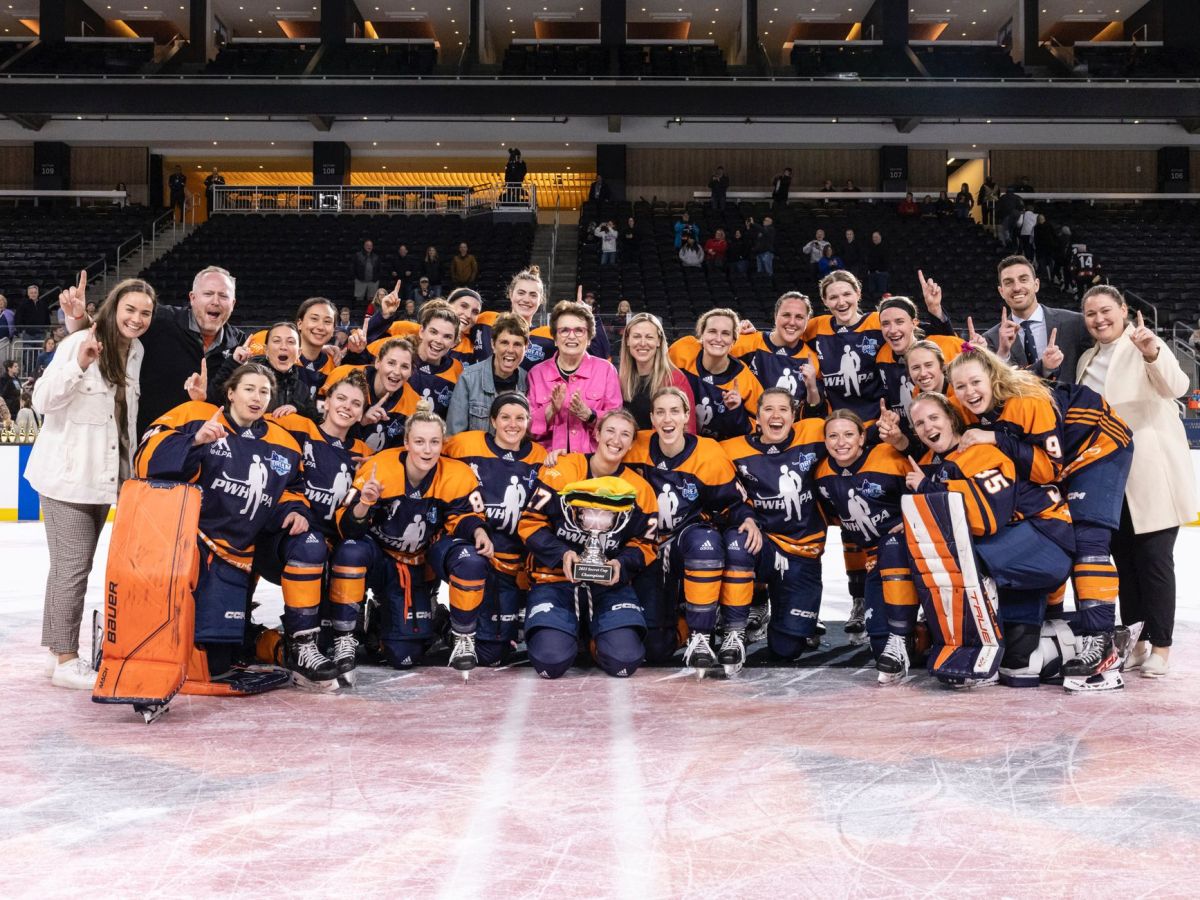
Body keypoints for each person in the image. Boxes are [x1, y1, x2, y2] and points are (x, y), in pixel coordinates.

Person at [135, 363, 313, 684]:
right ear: (230, 393)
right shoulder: (196, 417)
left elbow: (292, 489)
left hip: (241, 555)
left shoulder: (284, 444)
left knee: (218, 662)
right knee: (181, 645)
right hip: (192, 545)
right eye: (249, 389)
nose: (257, 397)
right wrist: (196, 441)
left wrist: (295, 510)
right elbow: (146, 459)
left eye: (264, 391)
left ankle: (253, 639)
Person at [26, 279, 155, 689]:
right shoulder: (79, 342)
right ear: (114, 307)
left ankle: (55, 652)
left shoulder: (135, 351)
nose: (136, 319)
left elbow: (123, 420)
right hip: (68, 478)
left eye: (145, 313)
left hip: (105, 479)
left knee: (67, 568)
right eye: (130, 309)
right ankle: (66, 660)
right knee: (73, 568)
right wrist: (78, 363)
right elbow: (41, 401)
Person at [906, 392, 1076, 688]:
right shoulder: (947, 463)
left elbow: (985, 520)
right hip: (1015, 555)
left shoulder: (978, 452)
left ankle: (1074, 636)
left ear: (951, 418)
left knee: (961, 557)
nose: (927, 426)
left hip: (1044, 541)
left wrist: (926, 488)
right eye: (919, 423)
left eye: (934, 418)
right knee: (1018, 667)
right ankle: (1056, 634)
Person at [1077, 286, 1199, 678]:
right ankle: (1137, 640)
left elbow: (1177, 387)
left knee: (1154, 562)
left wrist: (1152, 351)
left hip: (1151, 474)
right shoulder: (1084, 360)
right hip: (1107, 479)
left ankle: (1161, 645)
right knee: (1124, 565)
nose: (1099, 319)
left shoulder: (1144, 344)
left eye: (1106, 310)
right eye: (1091, 313)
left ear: (1124, 310)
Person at [336, 401, 492, 676]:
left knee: (404, 655)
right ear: (406, 442)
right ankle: (346, 635)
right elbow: (348, 529)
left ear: (442, 444)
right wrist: (365, 503)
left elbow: (465, 517)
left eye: (434, 442)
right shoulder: (378, 467)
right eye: (419, 441)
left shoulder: (456, 473)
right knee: (350, 551)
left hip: (424, 560)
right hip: (382, 558)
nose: (427, 449)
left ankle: (461, 634)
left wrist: (478, 531)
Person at [517, 408, 658, 679]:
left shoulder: (640, 490)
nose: (616, 440)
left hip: (608, 587)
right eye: (611, 431)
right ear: (596, 433)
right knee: (550, 662)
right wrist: (563, 554)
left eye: (625, 434)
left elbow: (646, 544)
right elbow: (530, 523)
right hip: (555, 581)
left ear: (631, 443)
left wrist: (621, 564)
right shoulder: (564, 469)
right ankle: (569, 635)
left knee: (624, 662)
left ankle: (591, 637)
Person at [628, 387, 758, 676]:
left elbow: (730, 502)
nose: (667, 418)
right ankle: (686, 622)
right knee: (657, 648)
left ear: (687, 415)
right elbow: (599, 460)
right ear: (651, 418)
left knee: (706, 541)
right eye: (660, 412)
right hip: (644, 547)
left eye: (675, 411)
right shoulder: (635, 445)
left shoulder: (707, 452)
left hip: (685, 540)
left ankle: (703, 636)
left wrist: (747, 518)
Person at [264, 370, 375, 688]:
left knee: (353, 549)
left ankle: (341, 639)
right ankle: (302, 646)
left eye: (356, 403)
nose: (347, 407)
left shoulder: (364, 454)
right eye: (341, 398)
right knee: (311, 543)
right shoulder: (297, 427)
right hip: (289, 539)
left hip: (333, 544)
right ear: (324, 401)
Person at [63, 265, 244, 437]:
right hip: (150, 445)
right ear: (192, 297)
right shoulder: (160, 320)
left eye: (223, 296)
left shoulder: (241, 344)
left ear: (233, 303)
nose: (215, 301)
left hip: (208, 450)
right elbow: (104, 332)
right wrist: (77, 316)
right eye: (208, 293)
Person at [721, 388, 828, 662]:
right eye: (768, 409)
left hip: (802, 550)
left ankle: (790, 619)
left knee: (786, 649)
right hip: (764, 544)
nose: (776, 415)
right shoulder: (732, 450)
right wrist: (746, 517)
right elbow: (724, 494)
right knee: (738, 540)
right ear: (757, 416)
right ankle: (734, 627)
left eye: (783, 409)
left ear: (794, 416)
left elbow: (851, 438)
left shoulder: (815, 433)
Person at [443, 392, 547, 666]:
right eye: (505, 417)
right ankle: (451, 626)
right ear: (492, 421)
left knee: (492, 655)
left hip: (514, 556)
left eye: (520, 418)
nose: (512, 424)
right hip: (472, 546)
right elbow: (426, 452)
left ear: (528, 422)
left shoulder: (540, 456)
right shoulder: (463, 444)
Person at [814, 411, 916, 682]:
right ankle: (913, 638)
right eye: (833, 436)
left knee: (893, 546)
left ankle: (907, 633)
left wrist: (913, 521)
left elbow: (924, 488)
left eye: (848, 434)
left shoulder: (889, 456)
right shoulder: (822, 474)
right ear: (824, 441)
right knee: (880, 644)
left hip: (911, 550)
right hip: (873, 557)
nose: (840, 442)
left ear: (862, 438)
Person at [527, 300, 622, 453]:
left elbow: (617, 422)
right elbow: (527, 429)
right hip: (548, 462)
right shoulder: (536, 374)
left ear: (589, 338)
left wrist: (590, 416)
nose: (571, 336)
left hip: (592, 462)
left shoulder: (606, 370)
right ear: (555, 339)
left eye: (579, 330)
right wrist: (551, 410)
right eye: (564, 330)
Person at [983, 255, 1092, 385]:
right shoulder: (991, 339)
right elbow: (994, 386)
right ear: (1001, 291)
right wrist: (1002, 354)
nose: (1017, 287)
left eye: (1023, 279)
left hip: (1070, 404)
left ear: (1036, 285)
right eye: (1008, 282)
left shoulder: (1075, 323)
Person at [670, 308, 762, 442]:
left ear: (734, 340)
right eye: (712, 331)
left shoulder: (744, 379)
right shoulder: (682, 351)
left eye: (725, 333)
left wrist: (736, 411)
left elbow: (759, 429)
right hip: (679, 444)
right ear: (701, 334)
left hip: (721, 451)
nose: (718, 339)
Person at [204, 322, 318, 421]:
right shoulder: (244, 377)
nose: (283, 346)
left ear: (299, 353)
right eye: (277, 341)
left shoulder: (302, 388)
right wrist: (232, 364)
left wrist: (297, 408)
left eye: (290, 342)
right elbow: (214, 401)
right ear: (266, 350)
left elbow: (317, 419)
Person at [325, 337, 420, 451]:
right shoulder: (343, 376)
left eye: (404, 366)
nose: (396, 372)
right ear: (378, 362)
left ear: (411, 372)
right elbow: (321, 427)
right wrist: (362, 422)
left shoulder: (414, 404)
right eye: (391, 363)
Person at [446, 312, 530, 434]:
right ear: (493, 344)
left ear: (526, 348)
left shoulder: (529, 380)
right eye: (504, 343)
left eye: (517, 344)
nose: (510, 350)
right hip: (474, 452)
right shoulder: (469, 379)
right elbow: (454, 436)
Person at [618, 312, 695, 431]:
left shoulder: (675, 379)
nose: (642, 343)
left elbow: (689, 429)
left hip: (659, 449)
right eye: (637, 336)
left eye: (649, 337)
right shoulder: (621, 379)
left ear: (659, 341)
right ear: (628, 341)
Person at [472, 266, 557, 368]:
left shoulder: (549, 336)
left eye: (533, 295)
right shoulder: (485, 320)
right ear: (511, 294)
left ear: (541, 300)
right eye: (521, 293)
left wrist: (580, 317)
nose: (526, 299)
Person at [352, 239, 382, 307]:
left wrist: (376, 278)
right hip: (360, 281)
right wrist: (356, 277)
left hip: (373, 282)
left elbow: (379, 269)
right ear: (364, 246)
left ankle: (370, 314)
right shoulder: (358, 255)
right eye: (367, 245)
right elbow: (353, 267)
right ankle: (358, 313)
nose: (369, 247)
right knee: (359, 298)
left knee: (372, 299)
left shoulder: (376, 256)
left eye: (371, 245)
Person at [865, 231, 889, 299]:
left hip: (882, 273)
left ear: (880, 237)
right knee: (872, 294)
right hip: (872, 273)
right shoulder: (870, 248)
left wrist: (879, 270)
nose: (874, 238)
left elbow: (886, 261)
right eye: (873, 237)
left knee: (881, 294)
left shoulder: (885, 248)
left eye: (876, 237)